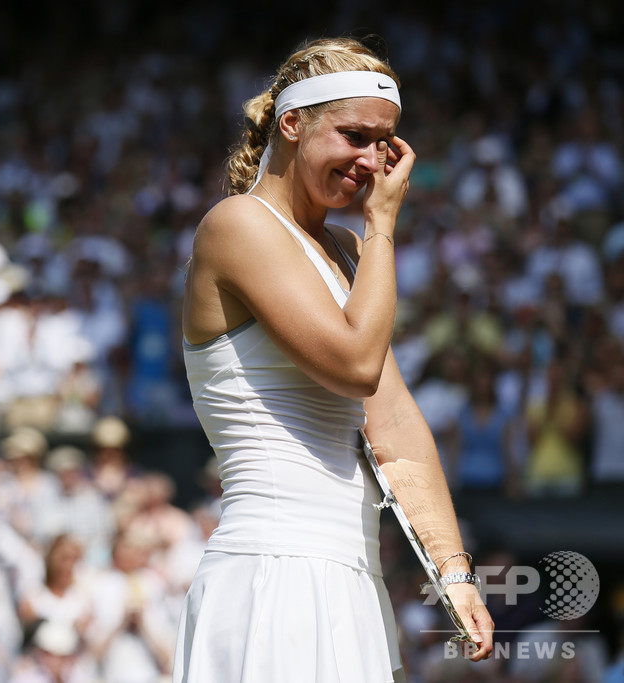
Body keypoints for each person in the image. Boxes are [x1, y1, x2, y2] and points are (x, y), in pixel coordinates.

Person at [175, 36, 494, 682]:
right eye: (354, 135)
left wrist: (453, 572)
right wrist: (383, 229)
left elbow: (396, 425)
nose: (372, 161)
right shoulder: (237, 224)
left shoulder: (346, 252)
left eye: (385, 142)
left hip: (350, 576)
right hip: (272, 575)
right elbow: (355, 365)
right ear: (291, 124)